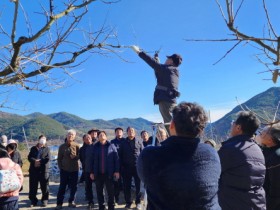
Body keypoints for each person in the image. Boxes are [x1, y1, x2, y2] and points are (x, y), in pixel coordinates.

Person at [137, 102, 221, 210]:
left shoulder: (149, 155)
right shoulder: (211, 153)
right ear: (201, 130)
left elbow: (144, 178)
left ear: (171, 125)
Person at [218, 111, 266, 209]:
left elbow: (214, 174)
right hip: (257, 203)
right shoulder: (257, 149)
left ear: (238, 127)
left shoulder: (230, 149)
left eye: (233, 123)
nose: (231, 126)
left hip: (234, 204)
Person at [131, 45, 182, 133]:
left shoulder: (169, 70)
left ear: (171, 61)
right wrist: (157, 60)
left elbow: (154, 64)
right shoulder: (172, 71)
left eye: (168, 59)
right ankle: (177, 142)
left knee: (169, 123)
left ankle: (176, 143)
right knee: (172, 123)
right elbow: (159, 69)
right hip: (169, 100)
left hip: (166, 101)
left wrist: (139, 52)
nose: (166, 60)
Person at [90, 131, 120, 210]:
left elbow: (116, 159)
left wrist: (117, 171)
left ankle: (111, 207)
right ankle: (101, 207)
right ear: (98, 138)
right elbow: (92, 160)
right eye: (100, 135)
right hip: (98, 173)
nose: (102, 135)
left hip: (109, 173)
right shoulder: (95, 147)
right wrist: (92, 172)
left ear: (106, 137)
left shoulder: (112, 146)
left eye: (103, 134)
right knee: (99, 192)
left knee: (110, 192)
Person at [255, 122, 280, 210]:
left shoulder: (276, 156)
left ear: (270, 140)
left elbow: (276, 189)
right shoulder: (268, 150)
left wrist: (268, 206)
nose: (260, 135)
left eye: (262, 134)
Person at [119, 127, 144, 210]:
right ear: (127, 133)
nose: (131, 132)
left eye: (132, 131)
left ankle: (138, 202)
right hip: (126, 168)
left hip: (137, 167)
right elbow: (120, 156)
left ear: (135, 132)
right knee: (127, 186)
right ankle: (128, 202)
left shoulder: (139, 141)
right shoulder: (123, 143)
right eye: (129, 131)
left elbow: (143, 154)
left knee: (138, 186)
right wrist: (121, 168)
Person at [55, 129, 80, 210]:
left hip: (74, 169)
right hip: (64, 170)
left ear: (74, 136)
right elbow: (59, 159)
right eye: (69, 134)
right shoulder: (62, 147)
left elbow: (80, 156)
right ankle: (59, 203)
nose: (70, 136)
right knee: (62, 187)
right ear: (66, 135)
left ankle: (71, 201)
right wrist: (60, 167)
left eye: (72, 134)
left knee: (74, 187)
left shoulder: (77, 145)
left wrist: (75, 157)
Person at [27, 135, 50, 207]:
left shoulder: (47, 149)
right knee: (33, 186)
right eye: (42, 139)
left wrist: (39, 162)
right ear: (39, 139)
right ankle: (33, 201)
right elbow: (29, 157)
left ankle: (44, 200)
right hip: (34, 170)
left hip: (43, 170)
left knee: (44, 186)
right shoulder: (33, 148)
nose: (43, 140)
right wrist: (34, 161)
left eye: (44, 139)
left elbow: (48, 158)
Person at [110, 127, 125, 204]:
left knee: (126, 182)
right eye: (117, 131)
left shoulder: (126, 141)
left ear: (122, 133)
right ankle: (116, 198)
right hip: (116, 165)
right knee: (116, 183)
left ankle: (127, 199)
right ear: (115, 133)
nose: (119, 132)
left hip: (125, 165)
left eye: (120, 131)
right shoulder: (112, 142)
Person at [80, 134, 95, 209]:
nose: (88, 139)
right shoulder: (82, 149)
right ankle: (90, 202)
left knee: (100, 187)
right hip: (87, 171)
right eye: (86, 138)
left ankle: (102, 202)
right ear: (84, 140)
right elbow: (82, 159)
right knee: (88, 187)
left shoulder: (96, 146)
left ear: (91, 138)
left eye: (89, 137)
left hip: (96, 171)